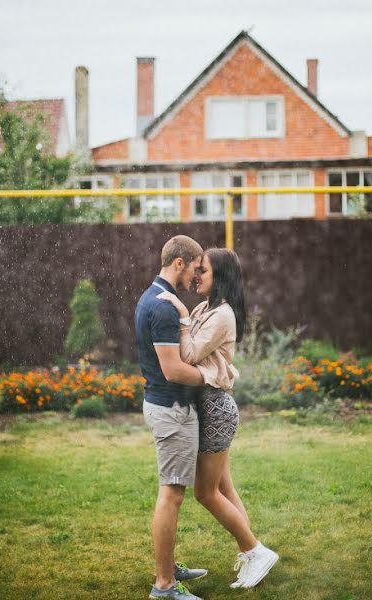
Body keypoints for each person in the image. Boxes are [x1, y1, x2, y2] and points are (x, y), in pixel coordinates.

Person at [157, 248, 279, 589]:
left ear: (220, 277)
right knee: (223, 487)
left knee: (205, 492)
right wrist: (188, 315)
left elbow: (191, 353)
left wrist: (180, 316)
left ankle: (255, 550)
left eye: (204, 271)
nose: (197, 276)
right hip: (207, 406)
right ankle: (253, 552)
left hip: (215, 409)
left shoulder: (221, 315)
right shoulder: (203, 308)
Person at [135, 235, 209, 600]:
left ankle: (168, 566)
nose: (197, 276)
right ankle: (164, 585)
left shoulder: (157, 299)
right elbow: (174, 370)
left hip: (168, 407)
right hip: (172, 410)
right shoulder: (162, 307)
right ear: (179, 263)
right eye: (196, 267)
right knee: (172, 494)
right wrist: (213, 378)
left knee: (173, 491)